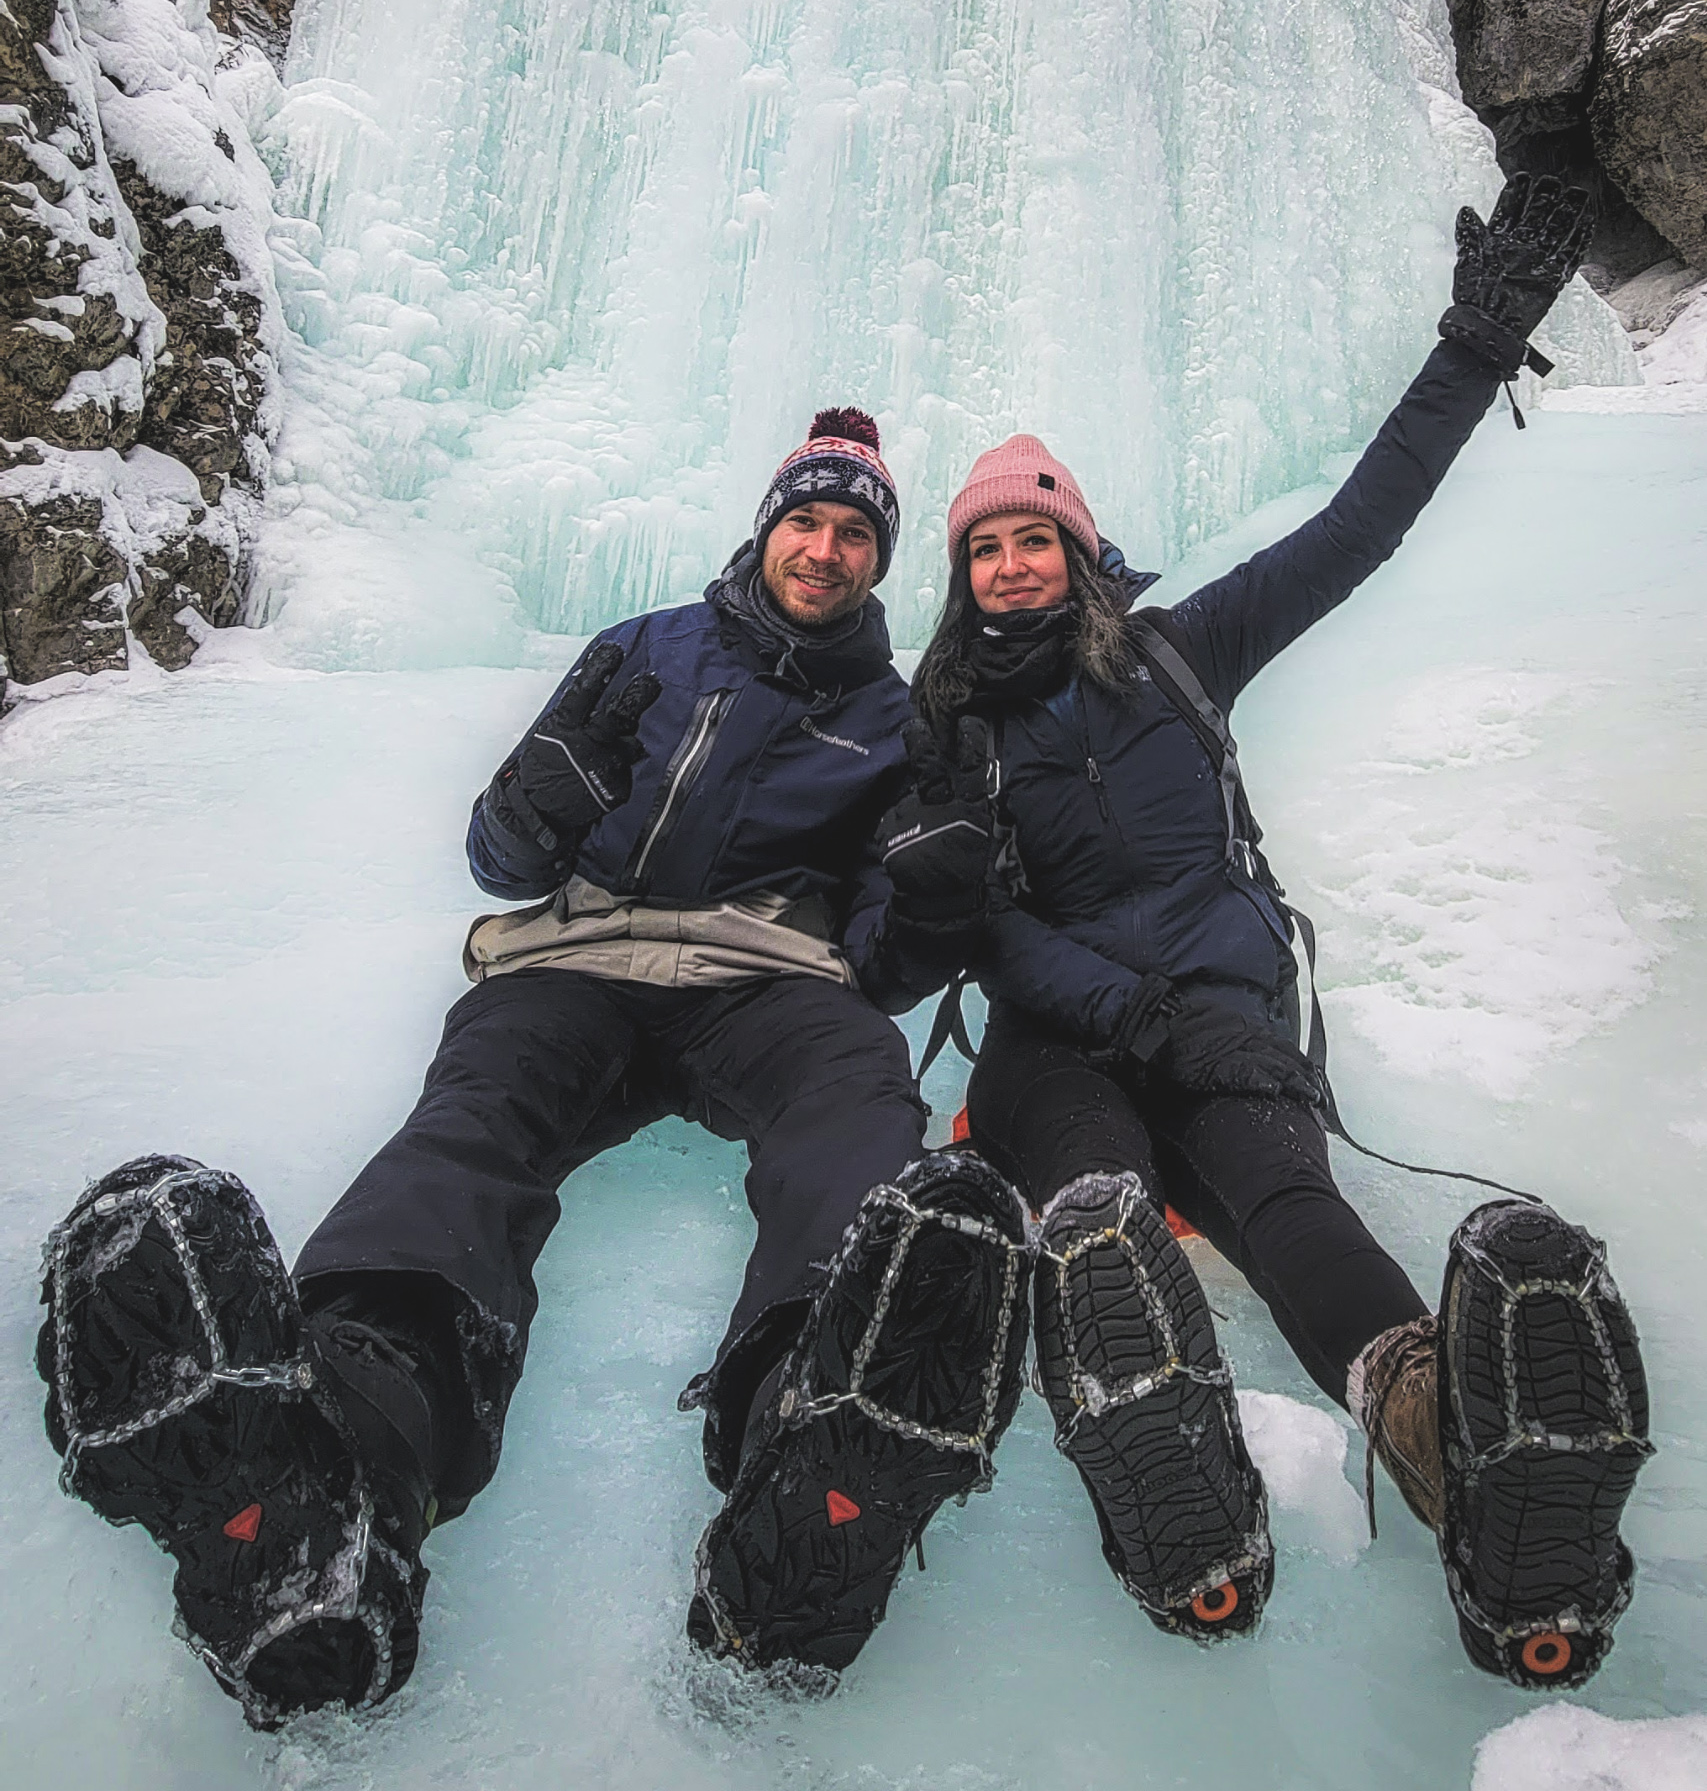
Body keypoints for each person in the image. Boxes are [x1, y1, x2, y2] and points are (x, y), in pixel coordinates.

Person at [37, 409, 1033, 1727]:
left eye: (856, 533)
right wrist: (538, 804)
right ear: (769, 525)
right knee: (477, 1119)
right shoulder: (642, 653)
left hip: (767, 982)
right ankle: (361, 1435)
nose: (827, 547)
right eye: (810, 518)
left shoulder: (898, 720)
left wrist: (933, 902)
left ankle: (821, 1410)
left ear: (877, 561)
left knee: (854, 1093)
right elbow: (504, 861)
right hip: (586, 952)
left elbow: (882, 967)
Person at [886, 180, 1652, 1688]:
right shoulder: (950, 737)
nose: (1016, 566)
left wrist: (1476, 350)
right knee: (1096, 1198)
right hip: (1062, 1041)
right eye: (989, 551)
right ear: (964, 579)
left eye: (1038, 539)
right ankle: (1168, 1459)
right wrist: (1128, 1011)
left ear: (1083, 552)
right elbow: (986, 939)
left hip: (1226, 1014)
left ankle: (1446, 1445)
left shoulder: (1184, 652)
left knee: (1286, 1203)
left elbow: (1363, 518)